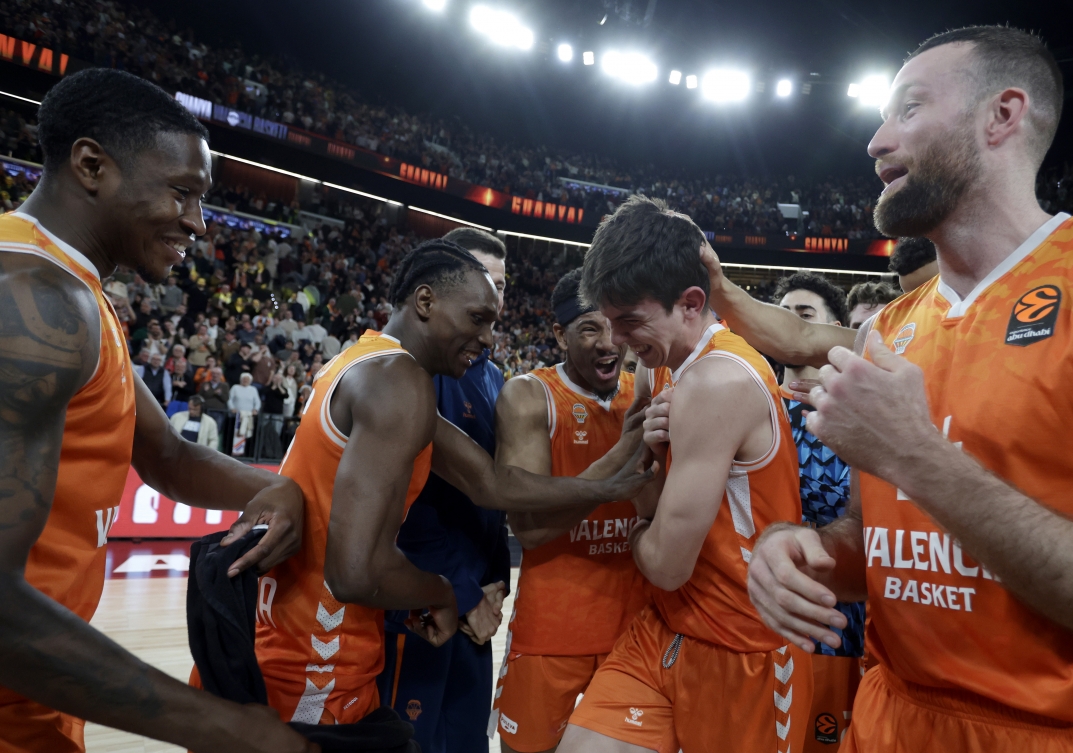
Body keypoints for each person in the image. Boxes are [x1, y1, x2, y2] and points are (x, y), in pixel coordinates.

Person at [714, 25, 1073, 753]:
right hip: (888, 716)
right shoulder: (893, 329)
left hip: (1065, 730)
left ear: (1001, 115)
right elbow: (871, 539)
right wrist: (803, 550)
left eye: (907, 109)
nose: (877, 141)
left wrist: (920, 456)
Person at [0, 68, 314, 752]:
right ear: (91, 165)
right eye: (182, 193)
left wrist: (283, 486)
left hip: (43, 692)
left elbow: (168, 455)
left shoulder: (73, 289)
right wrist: (222, 724)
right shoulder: (33, 300)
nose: (198, 223)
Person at [253, 240, 652, 727]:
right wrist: (445, 593)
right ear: (426, 302)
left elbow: (490, 483)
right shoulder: (396, 380)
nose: (488, 338)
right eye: (478, 318)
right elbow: (353, 573)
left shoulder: (374, 363)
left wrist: (606, 490)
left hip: (306, 634)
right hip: (316, 647)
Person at [559, 196, 810, 753]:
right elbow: (649, 498)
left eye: (629, 322)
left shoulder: (717, 381)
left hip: (742, 643)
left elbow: (666, 563)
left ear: (692, 303)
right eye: (608, 321)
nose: (616, 342)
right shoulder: (662, 368)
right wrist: (646, 484)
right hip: (664, 628)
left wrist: (635, 533)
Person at [490, 268, 650, 753]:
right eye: (589, 328)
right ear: (559, 333)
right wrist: (620, 458)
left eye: (616, 327)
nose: (608, 344)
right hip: (553, 625)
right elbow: (532, 529)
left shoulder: (644, 392)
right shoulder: (528, 396)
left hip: (636, 627)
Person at [377, 227, 513, 753]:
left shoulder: (492, 376)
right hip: (425, 604)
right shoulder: (407, 371)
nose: (494, 299)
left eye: (501, 286)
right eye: (482, 285)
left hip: (476, 605)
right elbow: (409, 505)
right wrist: (461, 592)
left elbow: (491, 498)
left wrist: (495, 583)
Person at [771, 273, 864, 752]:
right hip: (762, 622)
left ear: (834, 329)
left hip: (840, 625)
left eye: (802, 315)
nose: (788, 324)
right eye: (780, 312)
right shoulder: (755, 406)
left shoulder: (859, 416)